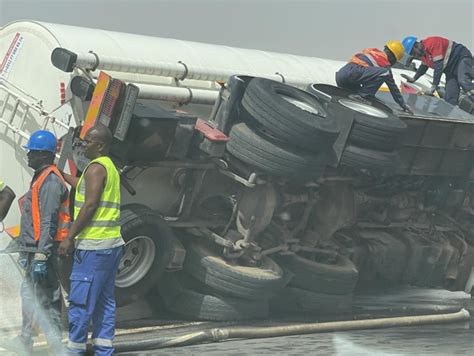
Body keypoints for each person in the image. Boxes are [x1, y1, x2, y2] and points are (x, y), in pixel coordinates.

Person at [1, 130, 70, 355]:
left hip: (45, 252)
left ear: (43, 154)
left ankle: (55, 346)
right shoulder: (41, 177)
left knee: (48, 298)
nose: (28, 156)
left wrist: (41, 254)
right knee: (30, 296)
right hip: (35, 249)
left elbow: (49, 220)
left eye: (31, 152)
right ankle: (26, 341)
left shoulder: (49, 181)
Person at [58, 124, 123, 355]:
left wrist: (69, 236)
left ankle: (74, 350)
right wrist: (62, 174)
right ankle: (104, 350)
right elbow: (84, 188)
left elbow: (90, 203)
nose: (83, 145)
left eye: (88, 141)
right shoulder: (107, 167)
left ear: (101, 145)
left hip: (93, 247)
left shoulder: (96, 168)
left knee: (81, 301)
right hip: (111, 246)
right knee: (105, 301)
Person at [336, 40, 413, 114]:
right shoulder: (385, 65)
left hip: (341, 76)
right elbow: (393, 88)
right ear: (392, 57)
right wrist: (403, 104)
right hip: (353, 74)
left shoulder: (372, 52)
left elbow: (365, 74)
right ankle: (363, 96)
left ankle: (366, 95)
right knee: (385, 73)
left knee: (360, 93)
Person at [402, 36, 474, 106]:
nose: (415, 56)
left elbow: (438, 66)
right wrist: (414, 78)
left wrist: (434, 86)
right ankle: (452, 116)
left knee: (464, 82)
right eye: (413, 55)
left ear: (416, 46)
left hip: (461, 58)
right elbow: (423, 67)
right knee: (450, 97)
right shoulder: (424, 56)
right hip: (450, 69)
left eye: (414, 53)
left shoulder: (431, 43)